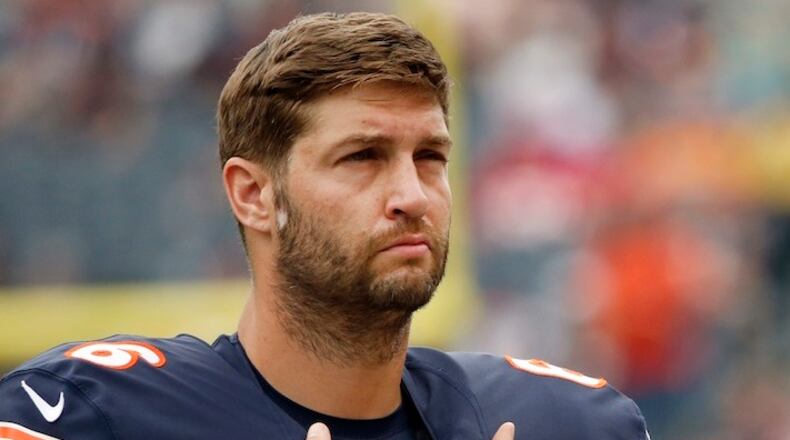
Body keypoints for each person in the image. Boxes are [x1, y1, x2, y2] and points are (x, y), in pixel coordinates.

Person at [0, 12, 649, 439]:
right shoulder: (86, 413)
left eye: (430, 157)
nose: (410, 194)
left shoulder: (564, 421)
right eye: (361, 158)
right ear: (253, 195)